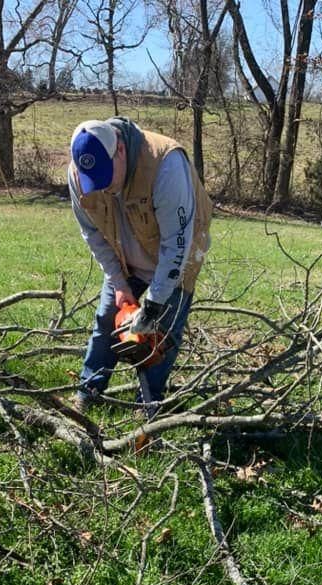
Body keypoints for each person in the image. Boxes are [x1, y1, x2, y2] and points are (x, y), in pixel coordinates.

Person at [68, 117, 212, 413]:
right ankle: (88, 391)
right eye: (95, 179)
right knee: (107, 318)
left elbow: (176, 244)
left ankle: (148, 405)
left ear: (119, 149)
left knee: (161, 334)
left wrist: (154, 304)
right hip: (124, 254)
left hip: (176, 253)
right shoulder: (78, 176)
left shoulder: (165, 165)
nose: (103, 186)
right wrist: (119, 284)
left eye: (106, 174)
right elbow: (93, 233)